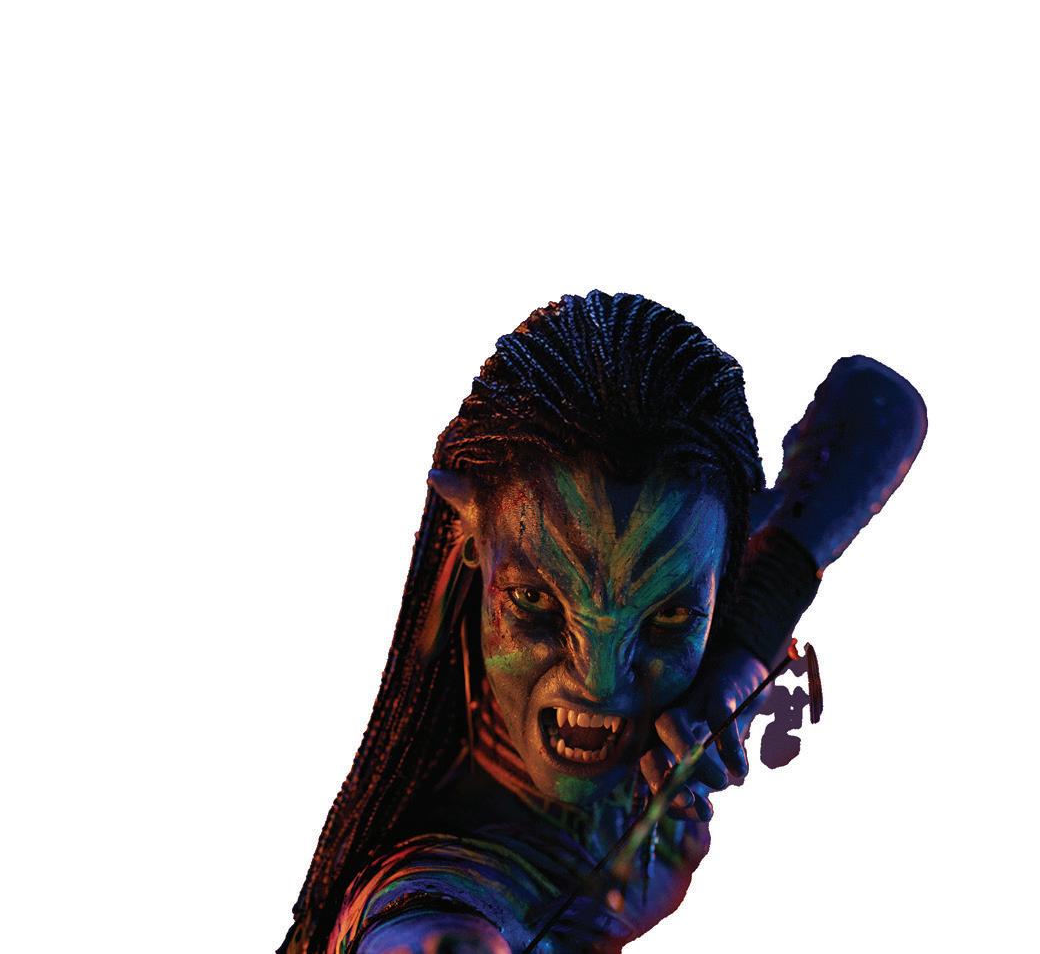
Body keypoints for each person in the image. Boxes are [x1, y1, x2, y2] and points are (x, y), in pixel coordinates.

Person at [277, 291, 926, 954]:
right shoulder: (429, 901)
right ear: (469, 532)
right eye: (535, 602)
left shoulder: (693, 682)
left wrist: (745, 643)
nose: (600, 681)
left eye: (667, 615)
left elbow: (881, 407)